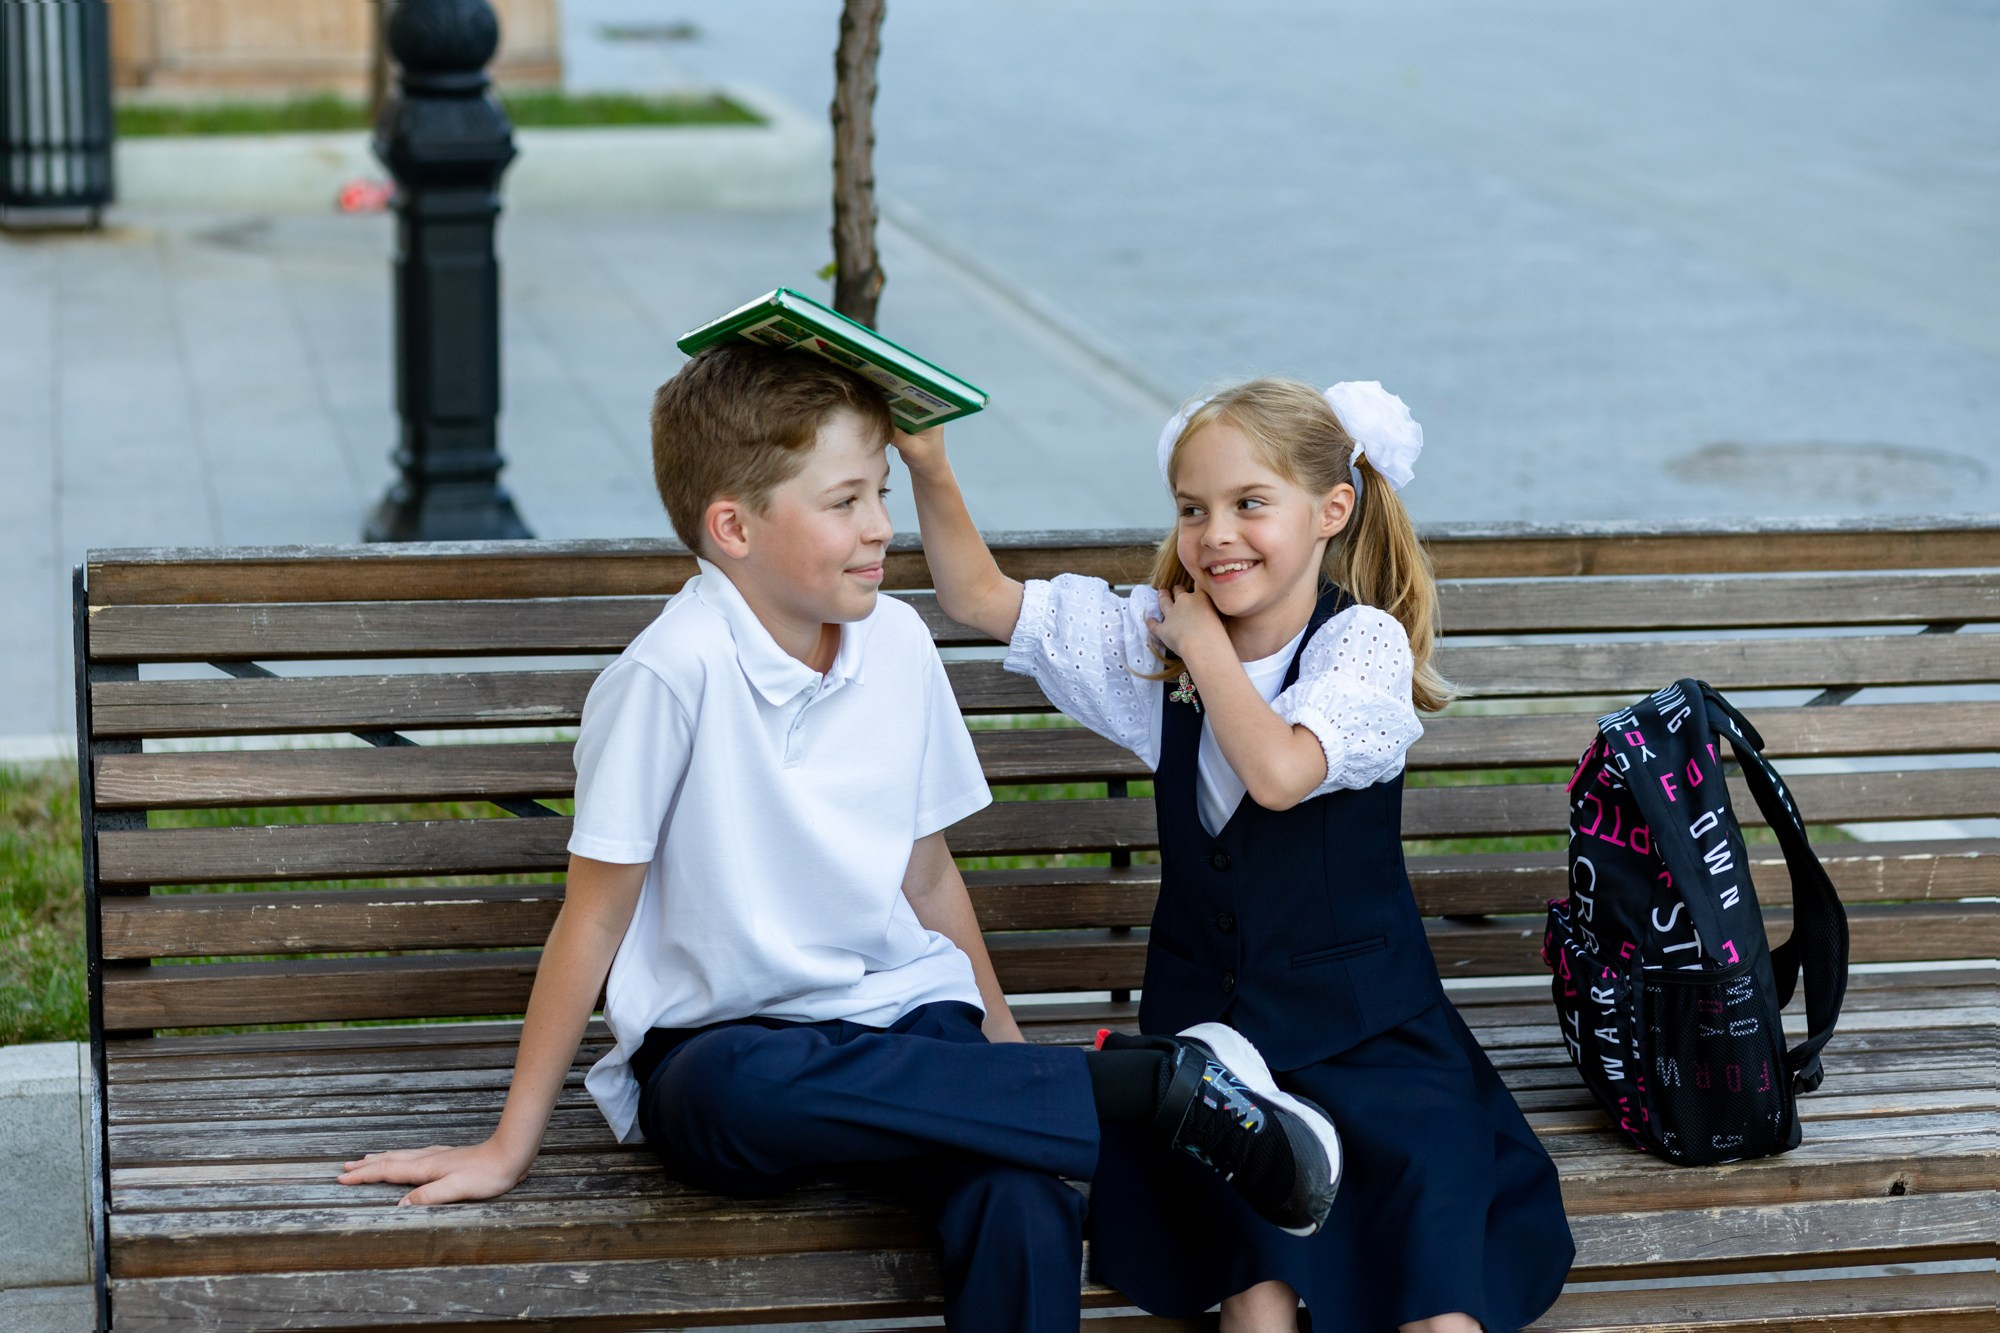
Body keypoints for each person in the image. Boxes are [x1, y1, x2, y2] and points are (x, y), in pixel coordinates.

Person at [337, 343, 1342, 1333]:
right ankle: (1151, 1087)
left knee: (1021, 1192)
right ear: (732, 526)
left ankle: (1125, 1094)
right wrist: (510, 1145)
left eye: (881, 496)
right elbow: (594, 921)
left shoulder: (894, 642)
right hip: (729, 1049)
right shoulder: (668, 675)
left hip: (911, 1024)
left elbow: (927, 877)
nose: (879, 530)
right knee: (733, 1094)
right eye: (845, 501)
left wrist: (1003, 1064)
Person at [893, 377, 1575, 1332]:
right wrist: (928, 460)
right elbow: (977, 594)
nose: (1216, 534)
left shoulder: (1358, 645)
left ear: (1333, 509)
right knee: (1257, 1292)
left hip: (1371, 1042)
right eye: (1192, 509)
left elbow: (1280, 774)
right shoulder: (1154, 647)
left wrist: (1204, 650)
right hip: (1221, 1065)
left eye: (1251, 504)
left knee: (1435, 1295)